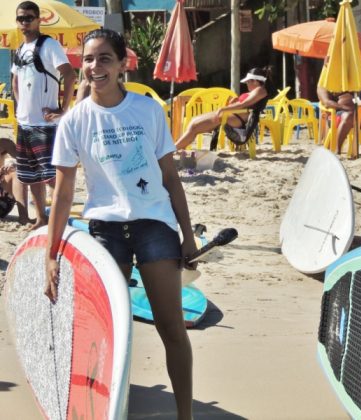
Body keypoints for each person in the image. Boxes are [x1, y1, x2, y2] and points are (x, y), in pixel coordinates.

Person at [44, 29, 197, 419]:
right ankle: (106, 410)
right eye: (89, 60)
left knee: (170, 327)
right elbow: (62, 195)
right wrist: (51, 254)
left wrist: (189, 235)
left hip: (154, 226)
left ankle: (185, 415)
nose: (96, 67)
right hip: (105, 231)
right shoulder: (74, 121)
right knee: (105, 333)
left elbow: (170, 177)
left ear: (122, 64)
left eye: (105, 58)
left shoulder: (147, 111)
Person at [11, 1, 76, 230]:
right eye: (21, 18)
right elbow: (15, 80)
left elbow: (70, 75)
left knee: (51, 176)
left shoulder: (48, 45)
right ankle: (40, 218)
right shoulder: (19, 49)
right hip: (25, 123)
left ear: (39, 20)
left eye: (29, 17)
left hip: (45, 125)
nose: (25, 22)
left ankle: (61, 220)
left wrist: (63, 109)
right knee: (31, 176)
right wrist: (20, 106)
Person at [175, 67, 272, 151]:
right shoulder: (256, 91)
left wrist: (225, 109)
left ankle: (174, 149)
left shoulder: (260, 90)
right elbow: (244, 103)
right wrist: (233, 102)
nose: (246, 84)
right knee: (193, 123)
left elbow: (244, 104)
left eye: (247, 81)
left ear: (254, 81)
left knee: (195, 126)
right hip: (234, 116)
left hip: (236, 118)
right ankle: (178, 147)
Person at [0, 137, 33, 223]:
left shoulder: (4, 144)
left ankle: (24, 217)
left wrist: (13, 165)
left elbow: (26, 162)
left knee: (17, 173)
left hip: (2, 203)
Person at [316, 86, 355, 155]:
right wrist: (345, 108)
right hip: (337, 113)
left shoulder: (344, 83)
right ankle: (338, 150)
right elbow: (327, 102)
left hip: (356, 112)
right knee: (348, 116)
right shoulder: (323, 86)